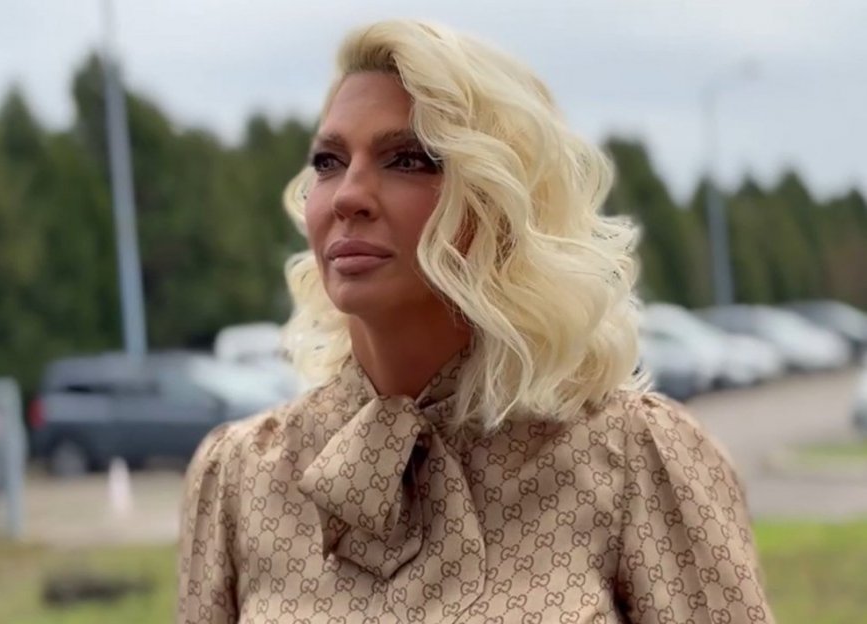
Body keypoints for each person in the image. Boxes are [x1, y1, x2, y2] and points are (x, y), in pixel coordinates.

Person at [177, 19, 774, 624]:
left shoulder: (634, 459)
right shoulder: (241, 476)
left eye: (408, 159)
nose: (347, 196)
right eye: (329, 162)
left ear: (498, 204)